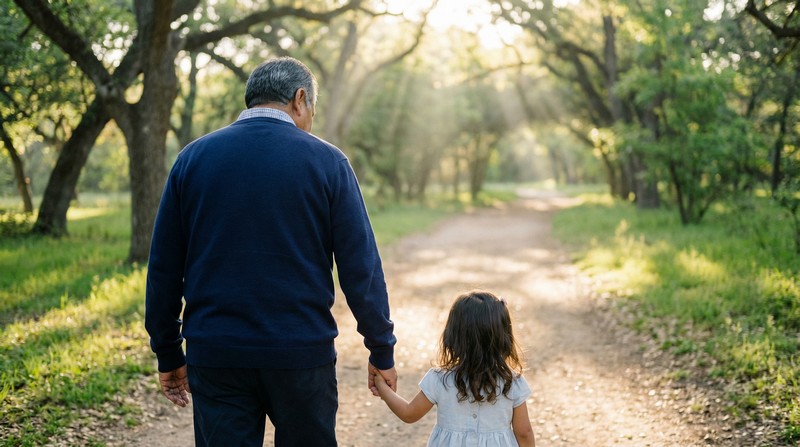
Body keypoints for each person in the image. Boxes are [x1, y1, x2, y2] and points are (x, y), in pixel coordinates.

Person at [144, 56, 397, 447]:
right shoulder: (328, 163)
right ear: (300, 100)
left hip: (216, 354)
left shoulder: (191, 161)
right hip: (301, 355)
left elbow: (163, 268)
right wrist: (381, 348)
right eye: (312, 108)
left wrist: (168, 351)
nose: (311, 118)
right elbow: (360, 268)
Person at [372, 290, 536, 447]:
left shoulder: (440, 379)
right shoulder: (512, 382)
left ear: (453, 336)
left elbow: (409, 413)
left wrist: (381, 385)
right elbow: (524, 433)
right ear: (504, 337)